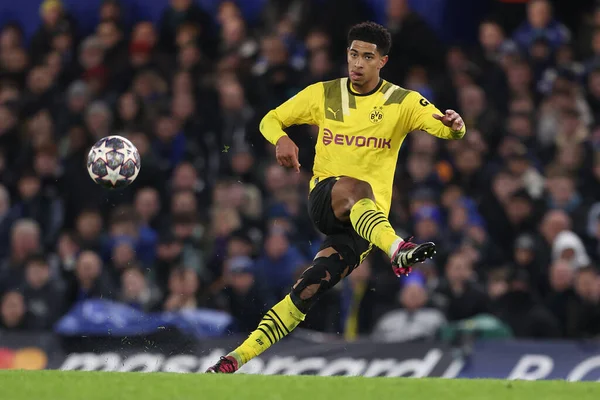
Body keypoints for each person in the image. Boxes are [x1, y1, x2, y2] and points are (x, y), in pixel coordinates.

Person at [206, 21, 466, 373]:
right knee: (356, 186)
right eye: (353, 54)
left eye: (367, 57)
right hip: (327, 199)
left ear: (382, 62)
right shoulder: (323, 94)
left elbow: (444, 128)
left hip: (366, 226)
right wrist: (281, 139)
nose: (357, 63)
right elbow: (270, 119)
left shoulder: (402, 101)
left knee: (309, 288)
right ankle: (398, 251)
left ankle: (236, 357)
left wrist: (456, 125)